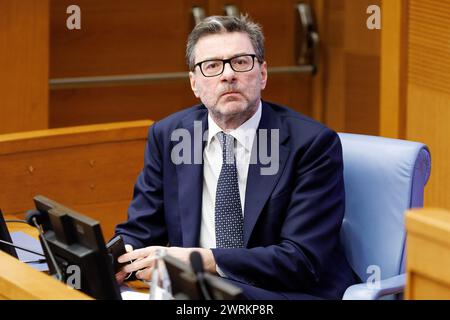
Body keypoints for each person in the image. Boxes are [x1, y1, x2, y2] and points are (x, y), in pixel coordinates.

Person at [114, 14, 356, 299]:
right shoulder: (171, 136)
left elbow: (301, 260)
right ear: (194, 83)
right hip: (197, 292)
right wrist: (120, 258)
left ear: (262, 74)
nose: (228, 75)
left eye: (241, 62)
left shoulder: (311, 144)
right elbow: (142, 227)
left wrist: (205, 260)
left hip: (285, 293)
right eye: (212, 66)